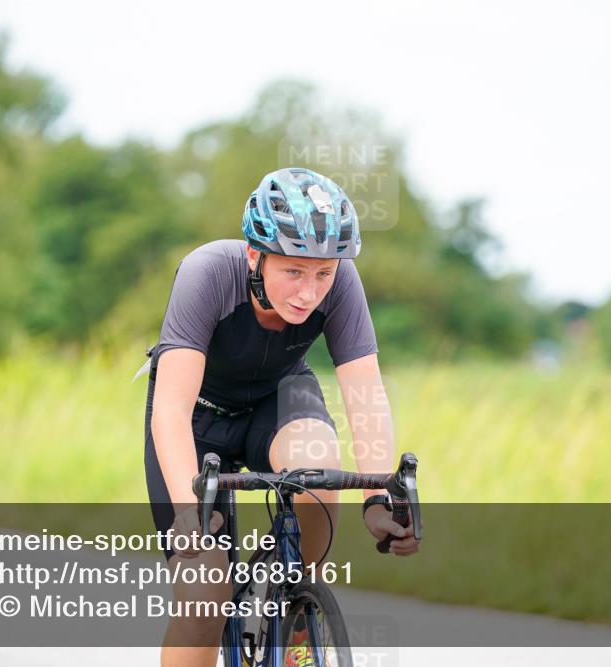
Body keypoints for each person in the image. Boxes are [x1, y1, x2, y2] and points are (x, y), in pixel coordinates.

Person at [143, 167, 419, 667]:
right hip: (197, 419)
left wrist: (379, 499)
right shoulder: (207, 272)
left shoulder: (341, 281)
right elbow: (171, 408)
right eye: (293, 271)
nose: (309, 292)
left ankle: (294, 611)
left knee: (320, 470)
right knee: (206, 597)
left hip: (278, 399)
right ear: (256, 255)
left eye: (322, 274)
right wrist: (190, 515)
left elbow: (365, 395)